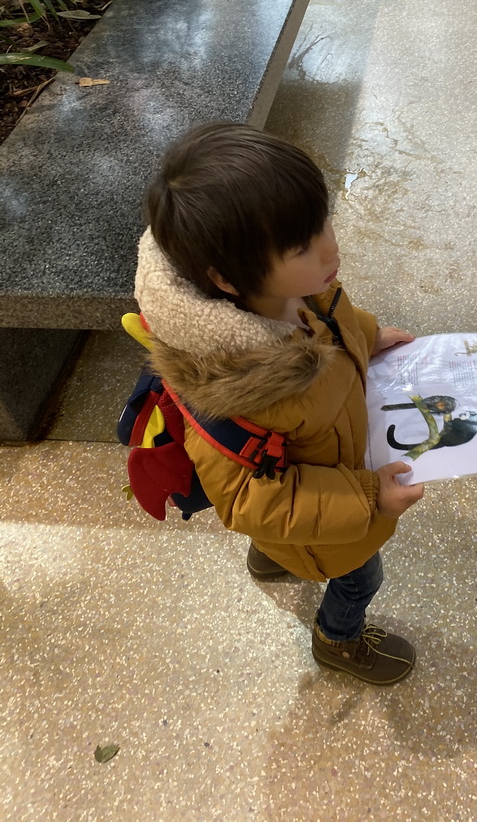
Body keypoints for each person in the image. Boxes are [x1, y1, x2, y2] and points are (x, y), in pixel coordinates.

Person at [134, 122, 425, 685]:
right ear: (225, 278)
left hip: (319, 477)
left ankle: (272, 556)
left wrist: (369, 337)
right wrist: (371, 497)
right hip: (331, 523)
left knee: (279, 538)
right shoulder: (237, 386)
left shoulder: (297, 289)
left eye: (323, 221)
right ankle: (337, 640)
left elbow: (341, 320)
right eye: (302, 243)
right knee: (359, 579)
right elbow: (247, 499)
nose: (331, 246)